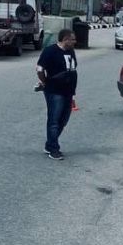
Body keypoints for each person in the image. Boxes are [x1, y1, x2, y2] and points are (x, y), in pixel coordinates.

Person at [36, 29, 78, 160]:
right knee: (54, 120)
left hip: (68, 91)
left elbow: (72, 69)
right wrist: (44, 82)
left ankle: (49, 144)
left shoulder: (71, 51)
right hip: (54, 91)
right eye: (72, 39)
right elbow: (39, 69)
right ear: (65, 39)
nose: (74, 42)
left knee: (63, 120)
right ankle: (54, 149)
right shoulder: (50, 51)